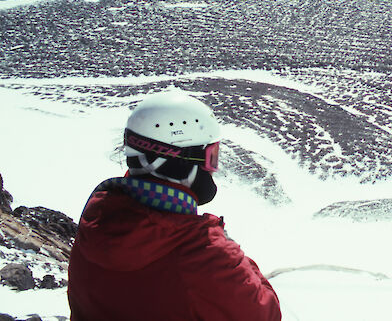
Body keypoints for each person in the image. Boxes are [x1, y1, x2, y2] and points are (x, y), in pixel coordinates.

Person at [68, 91, 281, 321]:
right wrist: (228, 250)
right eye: (211, 156)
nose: (211, 169)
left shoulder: (97, 218)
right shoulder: (203, 253)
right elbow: (266, 314)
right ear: (179, 159)